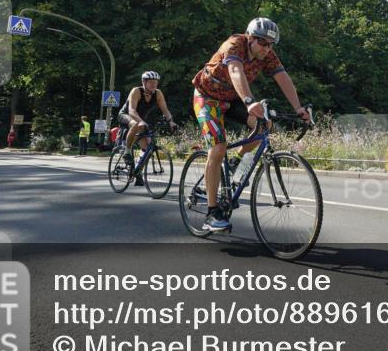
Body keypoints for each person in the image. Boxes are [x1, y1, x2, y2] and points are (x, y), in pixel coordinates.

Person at [191, 18, 310, 231]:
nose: (267, 48)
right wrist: (249, 101)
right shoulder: (234, 44)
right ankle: (212, 213)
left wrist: (298, 108)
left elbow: (283, 78)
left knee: (264, 126)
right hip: (207, 98)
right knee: (218, 148)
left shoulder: (267, 55)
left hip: (232, 99)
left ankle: (236, 163)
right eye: (262, 42)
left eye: (271, 44)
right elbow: (235, 71)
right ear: (250, 37)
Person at [117, 71, 177, 165]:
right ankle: (127, 151)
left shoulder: (158, 93)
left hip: (140, 119)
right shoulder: (136, 91)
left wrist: (170, 121)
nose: (154, 84)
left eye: (156, 82)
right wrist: (141, 121)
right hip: (126, 115)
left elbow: (165, 110)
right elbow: (131, 111)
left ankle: (138, 170)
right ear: (144, 82)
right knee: (135, 124)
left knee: (147, 149)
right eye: (151, 82)